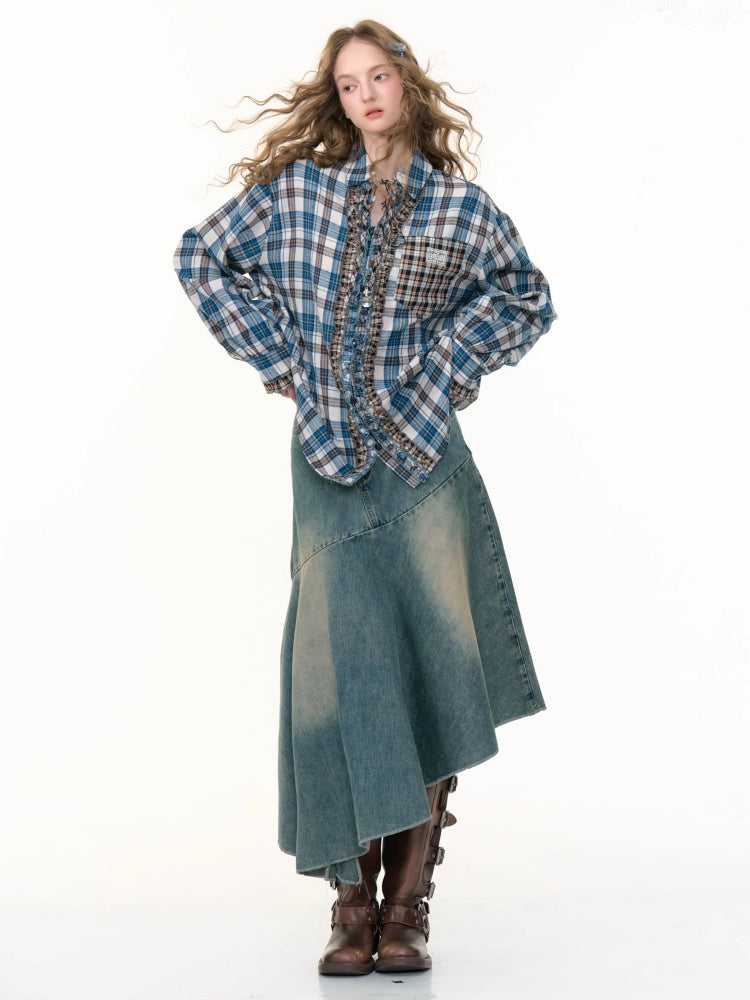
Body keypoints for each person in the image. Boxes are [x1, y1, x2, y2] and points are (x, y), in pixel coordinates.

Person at [174, 18, 557, 977]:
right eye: (349, 85)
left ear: (406, 83)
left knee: (430, 673)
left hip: (425, 468)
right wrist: (284, 360)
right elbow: (199, 258)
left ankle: (406, 907)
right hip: (328, 467)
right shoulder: (297, 194)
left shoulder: (459, 209)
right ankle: (350, 906)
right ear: (337, 100)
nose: (366, 96)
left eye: (378, 76)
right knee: (341, 677)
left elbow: (527, 296)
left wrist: (449, 363)